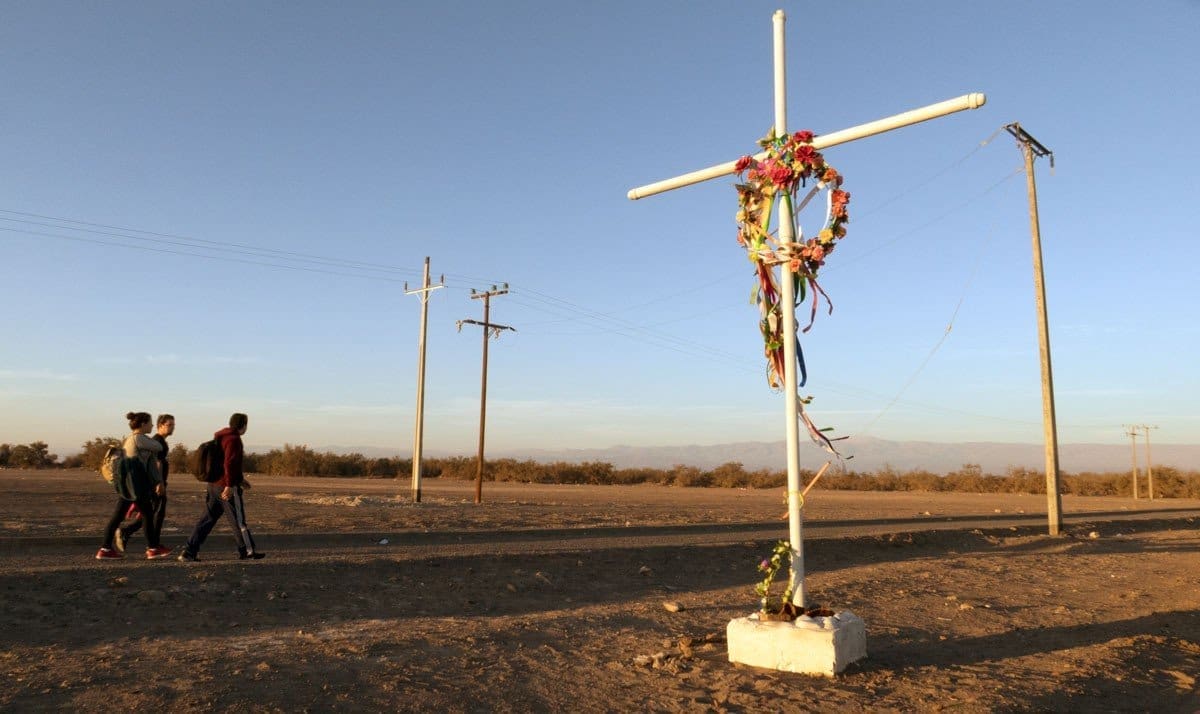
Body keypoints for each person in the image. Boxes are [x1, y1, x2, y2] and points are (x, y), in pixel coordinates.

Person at [178, 412, 264, 562]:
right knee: (238, 520)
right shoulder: (234, 440)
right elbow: (229, 463)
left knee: (207, 519)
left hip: (213, 486)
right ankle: (248, 551)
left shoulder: (220, 437)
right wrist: (230, 485)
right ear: (243, 425)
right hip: (226, 487)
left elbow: (225, 463)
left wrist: (241, 479)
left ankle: (188, 551)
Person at [96, 412, 173, 560]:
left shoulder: (137, 440)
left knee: (133, 516)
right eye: (150, 423)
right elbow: (158, 447)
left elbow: (151, 464)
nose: (152, 425)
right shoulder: (138, 439)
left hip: (132, 485)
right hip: (134, 485)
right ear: (143, 425)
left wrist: (158, 481)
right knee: (143, 516)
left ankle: (107, 548)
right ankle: (150, 548)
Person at [116, 414, 174, 553]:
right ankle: (148, 542)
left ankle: (152, 543)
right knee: (154, 514)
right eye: (169, 425)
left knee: (151, 513)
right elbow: (156, 464)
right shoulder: (156, 442)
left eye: (173, 425)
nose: (172, 428)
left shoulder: (158, 442)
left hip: (155, 484)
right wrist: (159, 483)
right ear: (160, 426)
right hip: (155, 485)